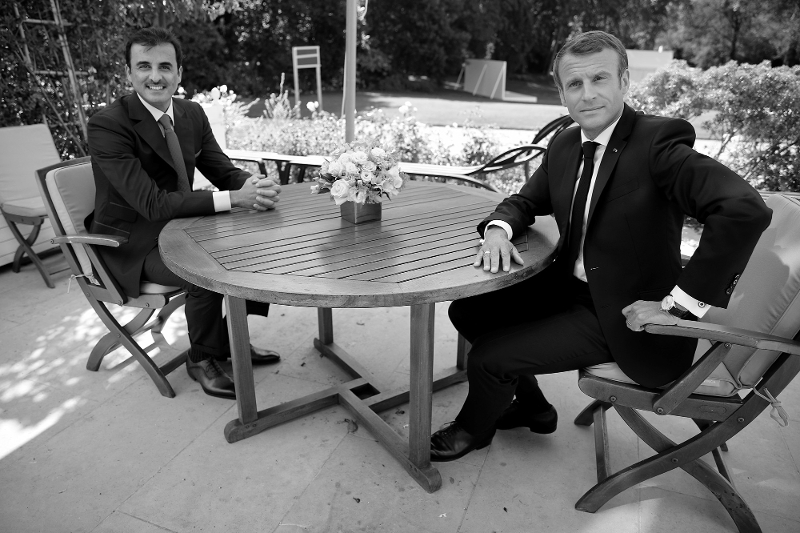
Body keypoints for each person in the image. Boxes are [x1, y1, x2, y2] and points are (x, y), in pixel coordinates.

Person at [430, 31, 772, 461]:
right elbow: (525, 200)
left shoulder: (658, 144)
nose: (587, 94)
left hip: (626, 315)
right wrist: (498, 229)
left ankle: (472, 430)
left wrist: (677, 306)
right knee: (466, 310)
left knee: (488, 358)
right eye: (574, 84)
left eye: (600, 79)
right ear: (561, 93)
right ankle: (534, 409)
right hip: (566, 291)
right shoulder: (566, 144)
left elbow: (743, 210)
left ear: (624, 82)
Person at [87, 27, 283, 399]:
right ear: (129, 73)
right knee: (203, 269)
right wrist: (232, 199)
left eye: (164, 66)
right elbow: (152, 204)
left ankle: (229, 340)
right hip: (131, 242)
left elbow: (223, 171)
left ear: (179, 72)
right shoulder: (108, 124)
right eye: (143, 66)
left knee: (257, 241)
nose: (155, 76)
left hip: (182, 225)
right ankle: (202, 358)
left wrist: (253, 185)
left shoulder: (191, 113)